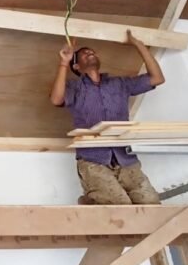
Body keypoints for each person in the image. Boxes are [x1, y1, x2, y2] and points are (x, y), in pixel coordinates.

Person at [49, 30, 165, 205]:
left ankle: (91, 200)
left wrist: (139, 45)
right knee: (120, 206)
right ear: (77, 67)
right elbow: (56, 99)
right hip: (93, 160)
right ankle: (93, 198)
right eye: (83, 54)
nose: (89, 53)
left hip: (125, 159)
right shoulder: (75, 88)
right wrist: (64, 62)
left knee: (152, 204)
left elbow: (157, 78)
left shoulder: (120, 84)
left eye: (92, 52)